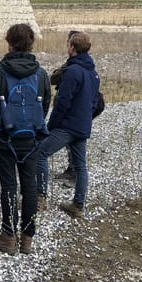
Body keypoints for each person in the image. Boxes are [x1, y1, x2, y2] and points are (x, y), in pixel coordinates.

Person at [0, 24, 51, 255]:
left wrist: (1, 124)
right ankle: (28, 238)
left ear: (9, 43)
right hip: (32, 138)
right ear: (31, 43)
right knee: (29, 187)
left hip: (4, 138)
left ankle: (8, 236)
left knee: (9, 186)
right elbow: (45, 106)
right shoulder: (41, 74)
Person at [36, 31, 100, 220]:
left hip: (68, 126)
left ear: (72, 48)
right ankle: (78, 204)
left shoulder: (72, 71)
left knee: (41, 153)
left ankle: (40, 198)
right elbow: (95, 102)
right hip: (83, 125)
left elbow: (62, 101)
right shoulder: (93, 73)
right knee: (81, 166)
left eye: (68, 45)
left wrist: (51, 125)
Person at [51, 30, 82, 185]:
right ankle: (72, 171)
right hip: (76, 113)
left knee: (72, 145)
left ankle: (74, 174)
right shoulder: (78, 65)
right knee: (72, 145)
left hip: (71, 113)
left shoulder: (73, 67)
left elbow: (54, 79)